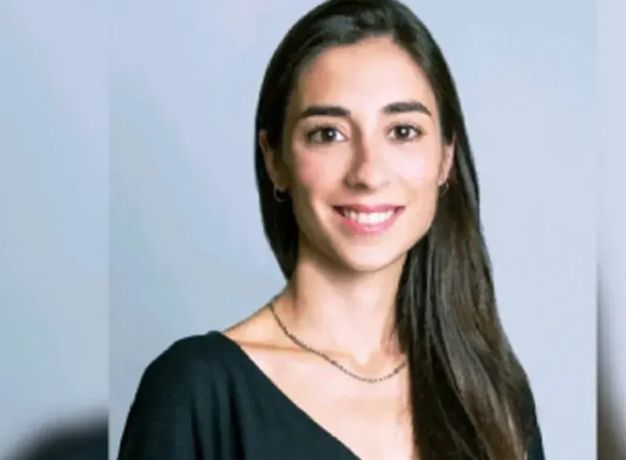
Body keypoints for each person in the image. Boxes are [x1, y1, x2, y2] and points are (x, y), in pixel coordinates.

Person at [118, 0, 545, 458]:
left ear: (446, 157)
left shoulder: (494, 395)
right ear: (275, 159)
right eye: (328, 133)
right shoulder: (195, 392)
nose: (368, 173)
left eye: (402, 131)